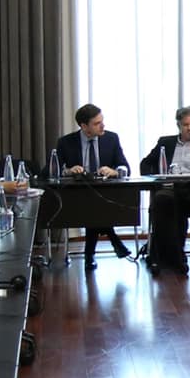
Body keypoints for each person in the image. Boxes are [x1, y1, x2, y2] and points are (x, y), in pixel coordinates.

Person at [53, 103, 133, 266]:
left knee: (96, 207)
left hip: (106, 195)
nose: (103, 126)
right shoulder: (66, 142)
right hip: (77, 197)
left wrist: (114, 171)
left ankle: (90, 255)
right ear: (84, 126)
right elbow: (50, 170)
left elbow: (125, 167)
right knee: (94, 207)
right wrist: (67, 171)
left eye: (102, 121)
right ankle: (113, 241)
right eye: (97, 123)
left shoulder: (111, 138)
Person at [143, 106, 190, 272]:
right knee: (163, 201)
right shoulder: (165, 143)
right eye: (186, 124)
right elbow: (145, 164)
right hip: (170, 189)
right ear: (179, 125)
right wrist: (157, 177)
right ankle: (171, 256)